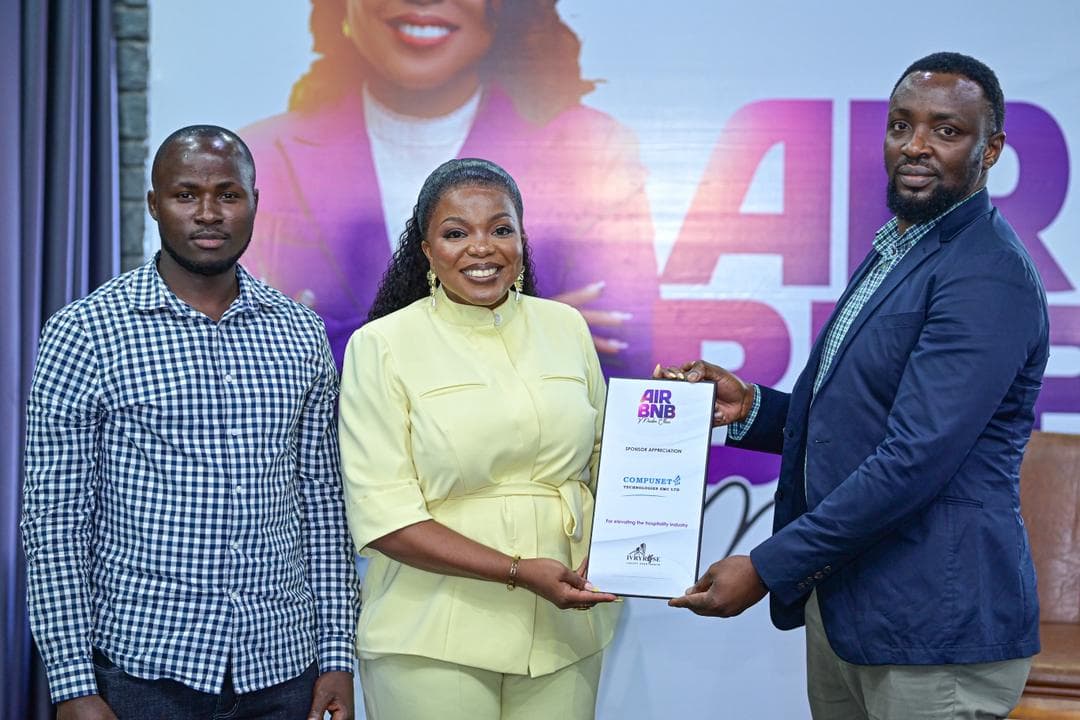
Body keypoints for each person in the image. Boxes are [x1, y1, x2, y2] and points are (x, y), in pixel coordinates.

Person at [658, 53, 1048, 719]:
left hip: (933, 634)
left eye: (947, 131)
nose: (916, 146)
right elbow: (863, 420)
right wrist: (752, 409)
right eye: (901, 125)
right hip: (856, 617)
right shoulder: (903, 247)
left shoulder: (985, 273)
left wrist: (766, 566)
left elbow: (911, 462)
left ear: (993, 150)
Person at [21, 125, 361, 720]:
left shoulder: (300, 332)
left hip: (283, 669)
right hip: (142, 672)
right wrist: (73, 684)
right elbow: (54, 519)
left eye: (229, 194)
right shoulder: (85, 332)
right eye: (186, 195)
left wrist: (336, 654)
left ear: (255, 202)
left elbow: (323, 504)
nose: (209, 213)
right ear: (153, 204)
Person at [338, 158, 620, 720]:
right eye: (455, 233)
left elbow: (606, 463)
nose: (482, 248)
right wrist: (518, 571)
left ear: (522, 237)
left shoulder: (566, 327)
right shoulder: (381, 345)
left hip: (568, 630)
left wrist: (620, 542)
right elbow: (384, 516)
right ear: (425, 249)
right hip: (430, 636)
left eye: (500, 228)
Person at [240, 0, 656, 374]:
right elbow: (249, 359)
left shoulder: (593, 151)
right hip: (336, 457)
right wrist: (518, 330)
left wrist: (334, 339)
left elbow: (617, 364)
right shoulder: (260, 155)